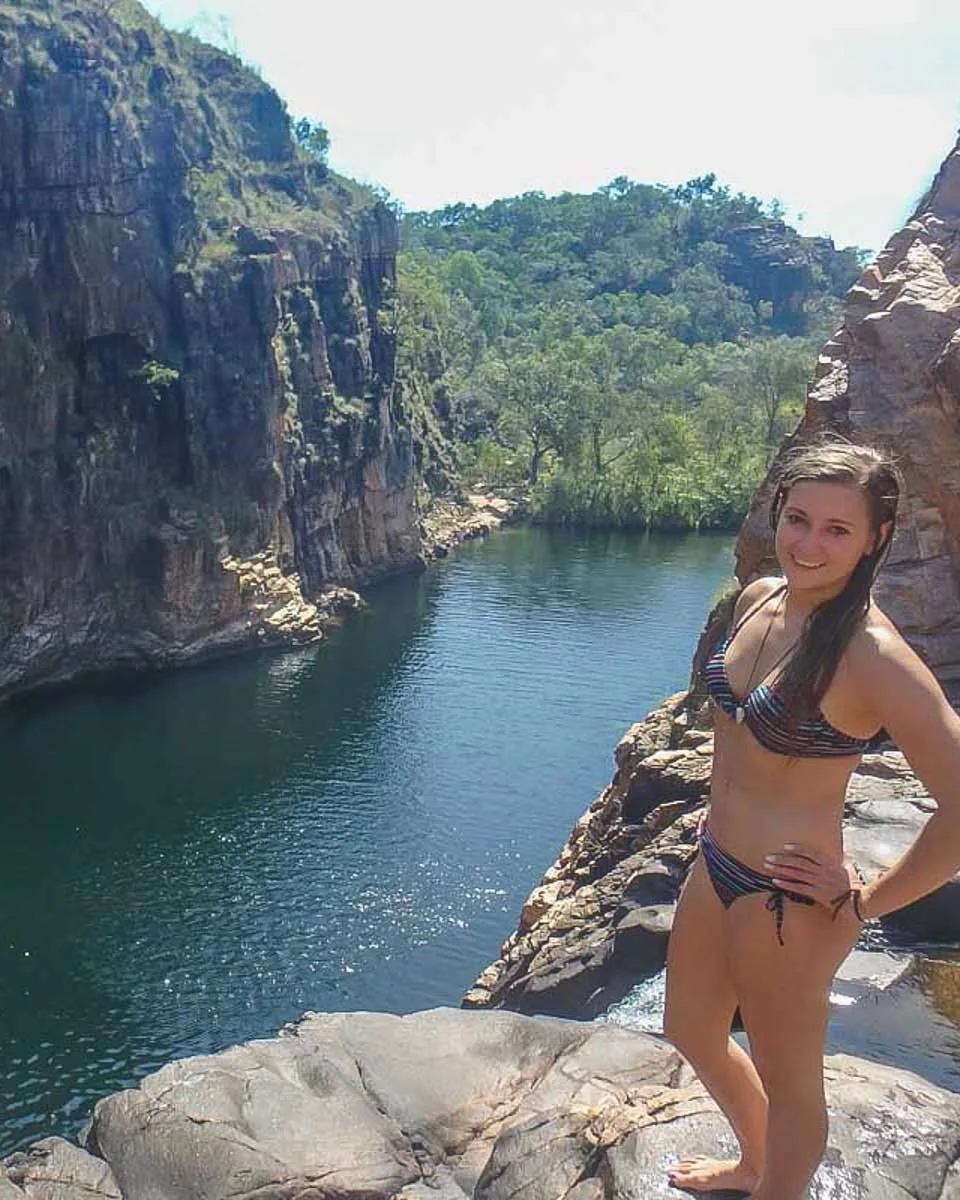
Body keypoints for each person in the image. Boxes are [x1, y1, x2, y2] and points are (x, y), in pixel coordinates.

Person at [662, 439, 960, 1200]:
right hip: (716, 862)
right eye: (798, 519)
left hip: (788, 901)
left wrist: (865, 904)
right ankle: (755, 1164)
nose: (810, 544)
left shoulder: (873, 655)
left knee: (791, 1083)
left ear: (876, 539)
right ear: (777, 516)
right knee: (692, 1030)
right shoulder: (757, 597)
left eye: (837, 529)